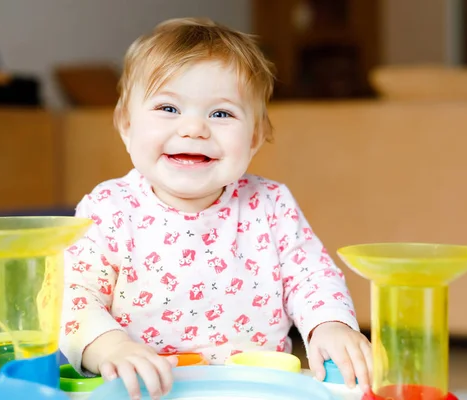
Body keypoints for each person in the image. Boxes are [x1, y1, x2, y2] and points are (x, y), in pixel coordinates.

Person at [59, 17, 372, 399]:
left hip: (257, 389)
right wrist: (111, 348)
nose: (194, 129)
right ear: (126, 125)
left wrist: (330, 325)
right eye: (168, 108)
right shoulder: (108, 208)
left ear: (255, 137)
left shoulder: (270, 204)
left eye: (221, 114)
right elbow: (73, 294)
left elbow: (310, 275)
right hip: (145, 391)